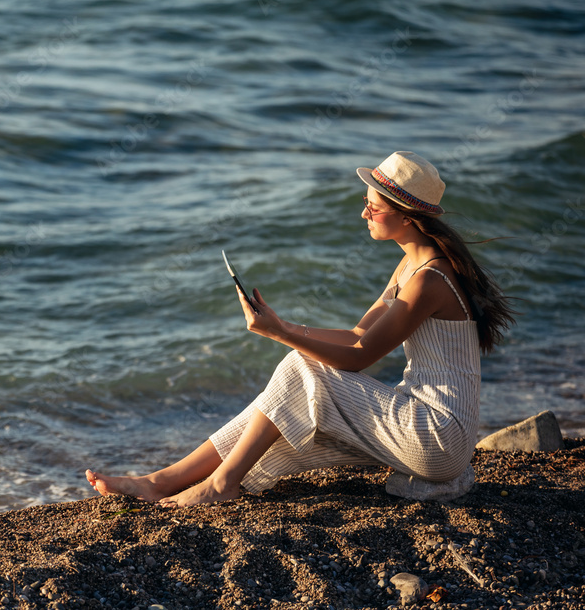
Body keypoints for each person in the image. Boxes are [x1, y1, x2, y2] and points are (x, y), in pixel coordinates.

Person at [86, 151, 515, 507]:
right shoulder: (414, 264)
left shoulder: (429, 279)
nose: (363, 211)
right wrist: (284, 323)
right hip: (430, 429)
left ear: (406, 216)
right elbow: (354, 335)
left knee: (302, 369)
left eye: (375, 205)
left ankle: (220, 485)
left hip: (438, 436)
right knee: (291, 399)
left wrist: (279, 335)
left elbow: (362, 355)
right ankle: (161, 482)